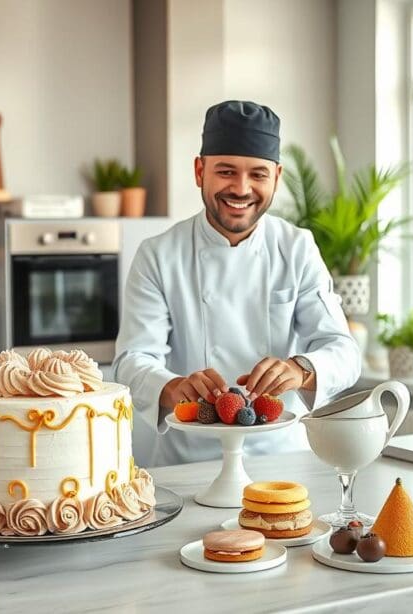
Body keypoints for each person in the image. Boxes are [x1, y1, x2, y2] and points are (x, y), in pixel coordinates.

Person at [113, 100, 361, 467]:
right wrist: (172, 387)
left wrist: (300, 369)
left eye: (257, 175)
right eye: (226, 171)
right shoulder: (158, 255)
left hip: (283, 462)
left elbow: (343, 351)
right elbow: (131, 361)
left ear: (276, 176)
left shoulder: (297, 248)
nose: (241, 189)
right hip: (187, 464)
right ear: (200, 171)